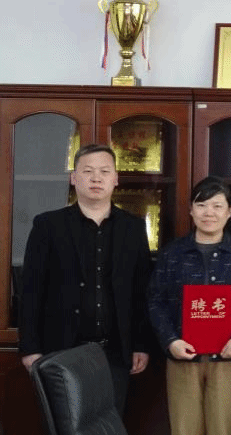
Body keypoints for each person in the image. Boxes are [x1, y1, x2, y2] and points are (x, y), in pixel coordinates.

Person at [147, 176, 231, 435]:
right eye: (201, 205)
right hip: (182, 358)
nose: (209, 212)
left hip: (228, 358)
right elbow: (155, 301)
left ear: (229, 211)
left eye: (217, 206)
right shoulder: (173, 254)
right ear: (191, 210)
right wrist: (170, 340)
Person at [19, 143, 151, 414]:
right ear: (73, 178)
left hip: (115, 353)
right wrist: (30, 348)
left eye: (104, 171)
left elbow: (141, 291)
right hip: (60, 350)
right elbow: (30, 290)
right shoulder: (48, 225)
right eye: (87, 171)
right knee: (63, 430)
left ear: (116, 179)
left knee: (109, 430)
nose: (96, 178)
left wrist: (141, 344)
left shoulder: (133, 227)